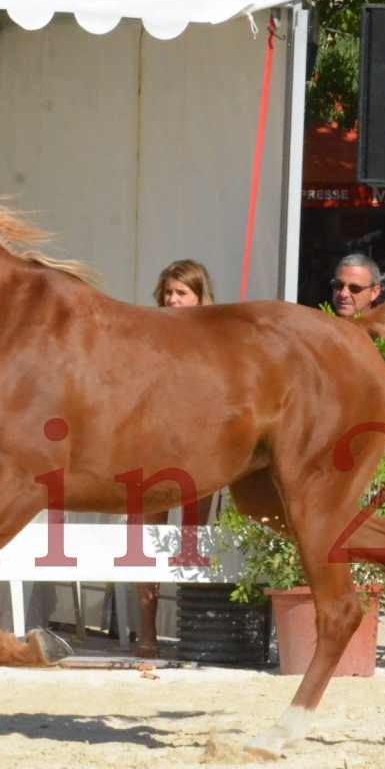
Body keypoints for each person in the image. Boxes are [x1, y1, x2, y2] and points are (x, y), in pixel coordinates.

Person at [134, 260, 217, 658]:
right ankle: (146, 633)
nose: (172, 299)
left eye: (181, 293)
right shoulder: (147, 338)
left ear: (200, 298)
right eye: (168, 292)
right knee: (147, 542)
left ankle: (193, 632)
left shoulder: (216, 341)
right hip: (151, 452)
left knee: (192, 541)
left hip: (200, 455)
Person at [329, 253, 383, 318]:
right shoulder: (321, 324)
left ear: (374, 292)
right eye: (338, 285)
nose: (343, 294)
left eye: (355, 288)